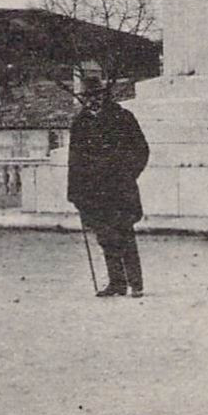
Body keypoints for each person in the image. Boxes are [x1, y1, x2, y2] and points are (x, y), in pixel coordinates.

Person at [66, 77, 150, 299]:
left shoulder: (122, 118)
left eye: (97, 95)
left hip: (119, 189)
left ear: (105, 95)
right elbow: (74, 162)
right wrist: (74, 193)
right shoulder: (80, 124)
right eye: (88, 97)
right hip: (93, 192)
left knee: (124, 234)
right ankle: (116, 283)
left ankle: (136, 284)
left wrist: (127, 174)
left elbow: (141, 150)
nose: (93, 100)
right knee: (105, 237)